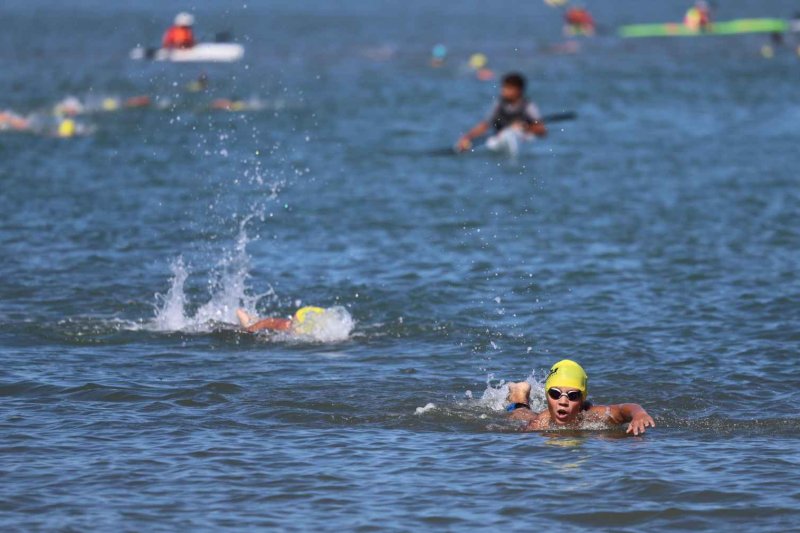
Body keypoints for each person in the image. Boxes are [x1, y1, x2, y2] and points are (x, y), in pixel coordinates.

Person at [505, 359, 655, 435]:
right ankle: (519, 393)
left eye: (573, 395)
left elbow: (624, 409)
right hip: (537, 417)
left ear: (582, 399)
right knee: (520, 414)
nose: (563, 402)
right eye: (555, 394)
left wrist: (639, 414)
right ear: (547, 395)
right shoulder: (539, 423)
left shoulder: (595, 416)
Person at [456, 72, 547, 153]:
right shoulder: (498, 104)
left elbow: (542, 130)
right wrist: (467, 138)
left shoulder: (529, 106)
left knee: (511, 134)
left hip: (522, 138)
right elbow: (485, 125)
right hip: (501, 138)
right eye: (504, 87)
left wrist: (524, 127)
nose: (503, 91)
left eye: (508, 88)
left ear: (518, 90)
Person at [236, 306, 326, 334]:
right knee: (248, 325)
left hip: (304, 317)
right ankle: (248, 318)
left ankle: (251, 318)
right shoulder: (287, 325)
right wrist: (250, 330)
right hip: (301, 317)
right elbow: (268, 321)